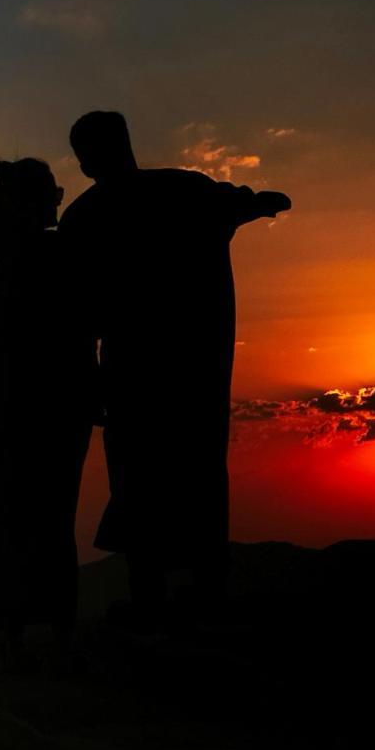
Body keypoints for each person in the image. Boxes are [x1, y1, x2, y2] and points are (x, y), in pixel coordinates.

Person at [58, 111, 291, 633]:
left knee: (156, 476)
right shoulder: (173, 194)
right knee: (182, 474)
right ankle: (187, 593)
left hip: (150, 373)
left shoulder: (91, 214)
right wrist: (253, 205)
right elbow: (234, 202)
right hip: (177, 373)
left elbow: (72, 308)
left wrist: (253, 205)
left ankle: (169, 596)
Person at [0, 158, 97, 663]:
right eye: (52, 195)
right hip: (49, 389)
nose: (58, 203)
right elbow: (82, 321)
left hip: (7, 385)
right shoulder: (50, 253)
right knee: (50, 505)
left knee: (13, 496)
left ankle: (13, 621)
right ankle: (50, 625)